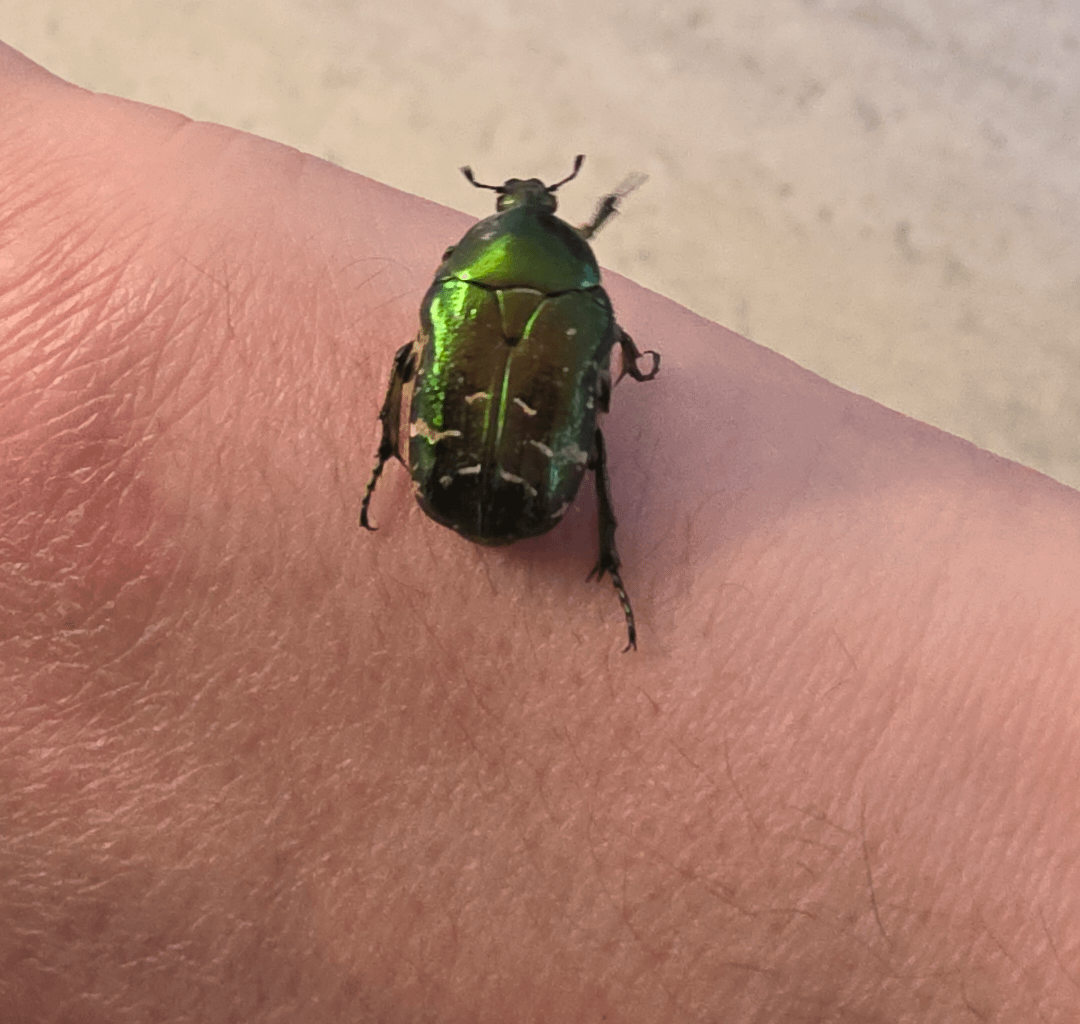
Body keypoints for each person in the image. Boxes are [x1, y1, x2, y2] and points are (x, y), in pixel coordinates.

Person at [1, 39, 1077, 1023]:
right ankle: (601, 553)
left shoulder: (461, 287)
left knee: (483, 402)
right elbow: (611, 366)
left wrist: (394, 445)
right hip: (531, 490)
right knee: (599, 446)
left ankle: (465, 486)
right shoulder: (583, 303)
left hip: (456, 476)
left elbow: (408, 364)